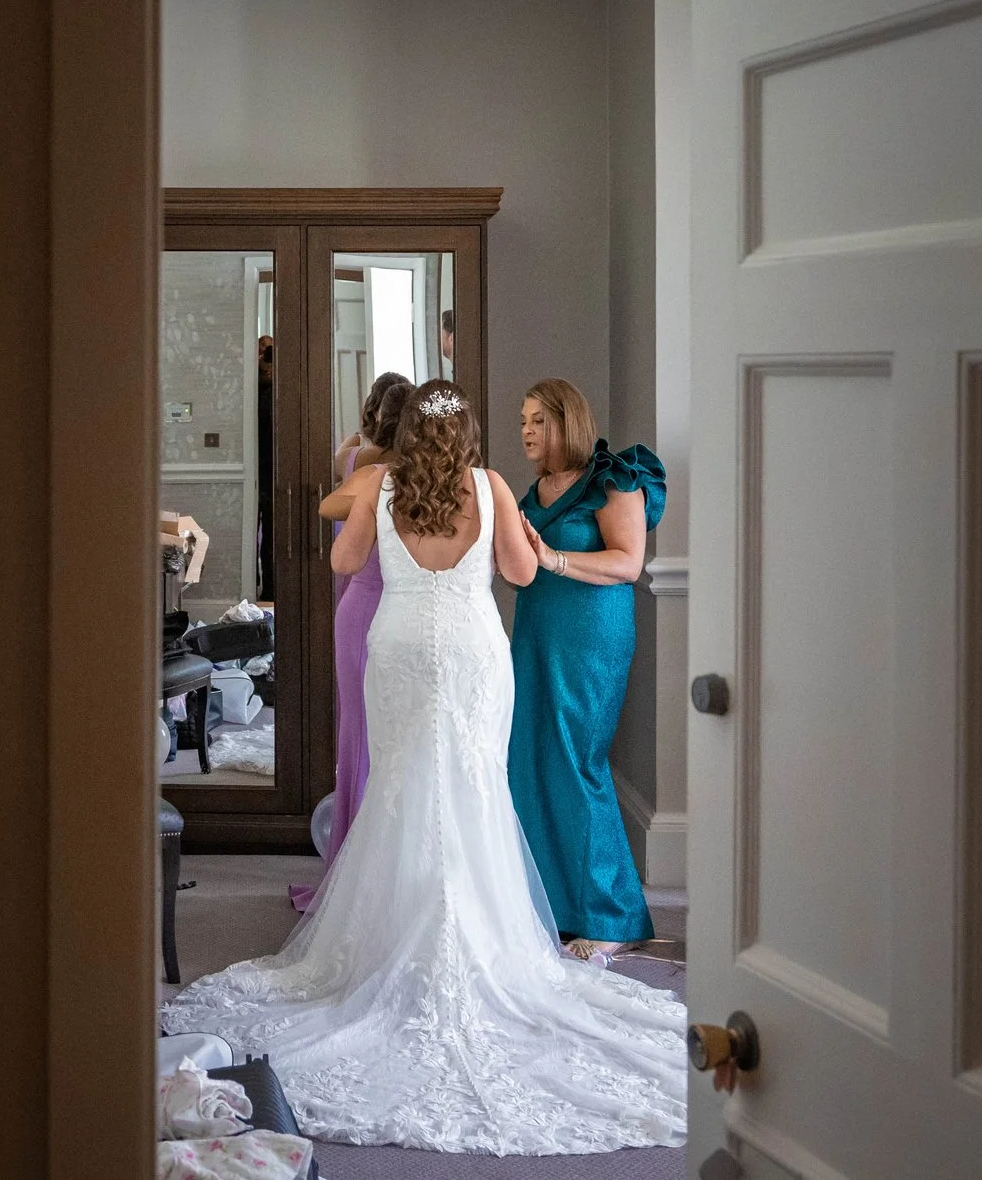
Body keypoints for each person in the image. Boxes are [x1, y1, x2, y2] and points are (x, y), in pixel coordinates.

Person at [161, 381, 686, 1155]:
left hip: (401, 648)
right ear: (469, 432)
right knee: (471, 788)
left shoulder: (380, 484)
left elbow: (342, 555)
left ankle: (389, 941)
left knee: (405, 788)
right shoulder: (492, 485)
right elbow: (523, 573)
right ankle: (481, 939)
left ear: (406, 434)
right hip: (473, 653)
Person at [508, 378, 663, 961]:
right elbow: (520, 569)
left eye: (537, 421)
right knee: (530, 757)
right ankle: (555, 908)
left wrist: (551, 556)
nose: (525, 430)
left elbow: (627, 563)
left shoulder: (614, 478)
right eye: (522, 420)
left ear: (566, 423)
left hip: (591, 634)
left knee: (578, 759)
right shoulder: (532, 492)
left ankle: (614, 916)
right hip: (535, 630)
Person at [290, 376, 412, 910]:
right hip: (369, 599)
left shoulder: (360, 458)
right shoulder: (378, 472)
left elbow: (341, 457)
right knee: (363, 737)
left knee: (383, 736)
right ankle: (356, 871)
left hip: (383, 602)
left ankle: (388, 864)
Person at [332, 370, 409, 481]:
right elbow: (327, 480)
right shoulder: (357, 442)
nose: (396, 414)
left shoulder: (419, 450)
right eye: (389, 407)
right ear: (375, 412)